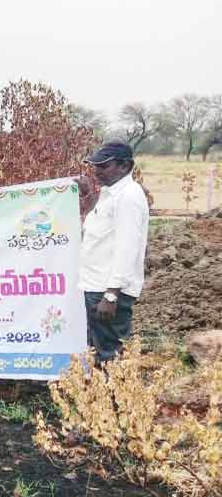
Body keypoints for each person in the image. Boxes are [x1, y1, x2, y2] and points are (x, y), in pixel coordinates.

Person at [80, 140, 149, 363]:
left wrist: (111, 295)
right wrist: (88, 193)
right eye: (95, 166)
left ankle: (114, 396)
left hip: (108, 290)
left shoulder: (128, 196)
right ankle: (101, 395)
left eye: (104, 166)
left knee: (109, 352)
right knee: (97, 349)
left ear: (124, 166)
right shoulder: (111, 192)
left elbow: (127, 247)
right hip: (96, 284)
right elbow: (99, 222)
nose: (97, 171)